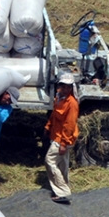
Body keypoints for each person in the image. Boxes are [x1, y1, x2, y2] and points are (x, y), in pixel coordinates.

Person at [45, 73, 79, 204]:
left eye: (67, 87)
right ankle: (64, 187)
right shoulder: (59, 98)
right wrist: (48, 127)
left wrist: (64, 143)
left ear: (71, 88)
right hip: (56, 135)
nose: (64, 89)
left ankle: (63, 192)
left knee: (50, 161)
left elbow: (69, 125)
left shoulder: (72, 104)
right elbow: (54, 115)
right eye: (62, 86)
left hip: (63, 139)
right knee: (63, 164)